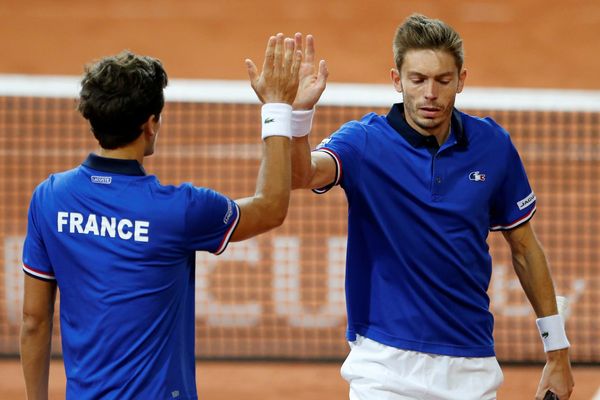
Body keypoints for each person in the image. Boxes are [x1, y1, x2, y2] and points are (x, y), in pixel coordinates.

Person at [288, 14, 574, 400]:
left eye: (442, 80)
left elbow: (525, 249)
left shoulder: (493, 146)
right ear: (397, 80)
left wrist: (557, 353)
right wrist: (297, 116)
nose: (430, 94)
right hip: (384, 366)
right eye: (417, 79)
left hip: (470, 367)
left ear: (461, 80)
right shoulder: (363, 143)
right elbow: (301, 174)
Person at [20, 35, 301, 399]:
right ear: (150, 124)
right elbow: (271, 207)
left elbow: (33, 321)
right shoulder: (180, 210)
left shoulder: (49, 198)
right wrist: (277, 107)